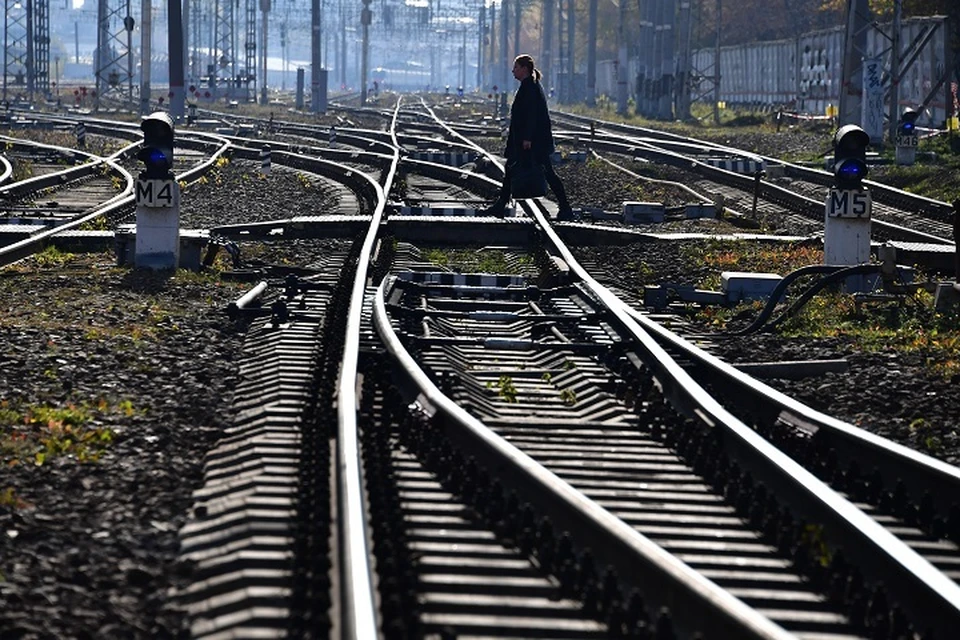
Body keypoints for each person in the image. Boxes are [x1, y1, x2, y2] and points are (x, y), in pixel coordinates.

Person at [483, 54, 575, 220]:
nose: (513, 71)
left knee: (547, 173)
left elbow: (532, 115)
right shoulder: (528, 85)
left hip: (533, 143)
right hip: (527, 141)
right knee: (510, 169)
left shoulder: (530, 87)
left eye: (516, 67)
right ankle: (500, 205)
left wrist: (527, 138)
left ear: (524, 69)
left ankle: (566, 208)